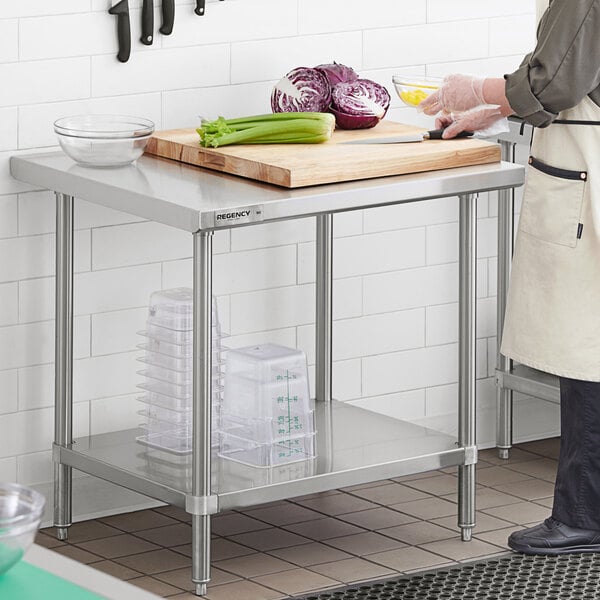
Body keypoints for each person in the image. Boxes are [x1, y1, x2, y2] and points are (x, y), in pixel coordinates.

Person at [419, 0, 600, 555]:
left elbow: (556, 81)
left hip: (588, 175)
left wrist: (475, 90)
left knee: (586, 346)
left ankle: (583, 516)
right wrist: (499, 112)